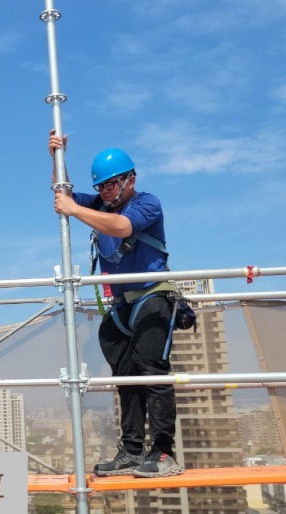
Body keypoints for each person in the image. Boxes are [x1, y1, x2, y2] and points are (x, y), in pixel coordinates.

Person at [49, 131, 184, 478]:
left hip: (152, 296)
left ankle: (164, 453)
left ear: (130, 180)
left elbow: (123, 227)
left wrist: (75, 209)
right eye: (101, 186)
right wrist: (57, 157)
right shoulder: (99, 206)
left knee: (153, 374)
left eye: (111, 184)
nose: (105, 191)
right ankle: (132, 451)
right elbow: (63, 195)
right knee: (126, 379)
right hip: (121, 304)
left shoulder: (147, 203)